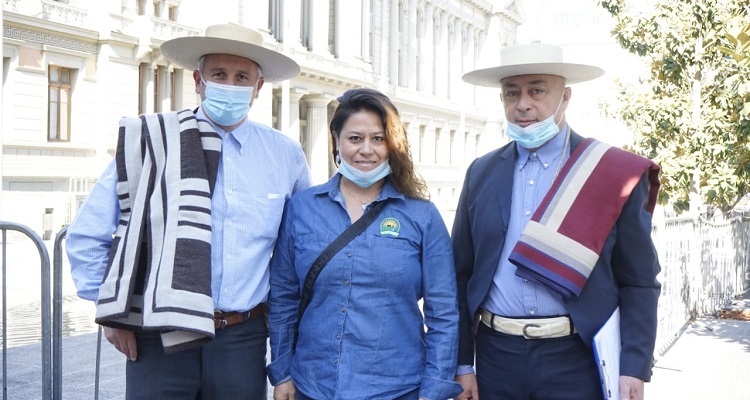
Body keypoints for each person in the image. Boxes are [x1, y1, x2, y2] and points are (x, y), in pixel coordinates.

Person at [65, 23, 311, 399]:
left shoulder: (285, 155)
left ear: (258, 88)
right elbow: (88, 235)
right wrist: (111, 314)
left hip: (241, 339)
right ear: (198, 81)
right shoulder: (151, 142)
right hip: (157, 336)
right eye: (219, 74)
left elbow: (299, 249)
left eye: (241, 76)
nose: (230, 84)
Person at [452, 43, 661, 400]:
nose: (523, 104)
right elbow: (460, 275)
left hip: (576, 358)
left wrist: (632, 367)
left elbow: (639, 280)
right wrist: (462, 365)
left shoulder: (610, 174)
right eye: (511, 93)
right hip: (494, 358)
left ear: (565, 97)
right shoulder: (481, 172)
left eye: (536, 90)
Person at [267, 88, 464, 400]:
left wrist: (434, 389)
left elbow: (443, 313)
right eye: (355, 138)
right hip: (313, 386)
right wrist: (282, 373)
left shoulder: (421, 215)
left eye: (378, 138)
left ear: (392, 145)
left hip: (396, 388)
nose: (366, 150)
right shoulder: (302, 208)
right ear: (336, 141)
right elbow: (283, 299)